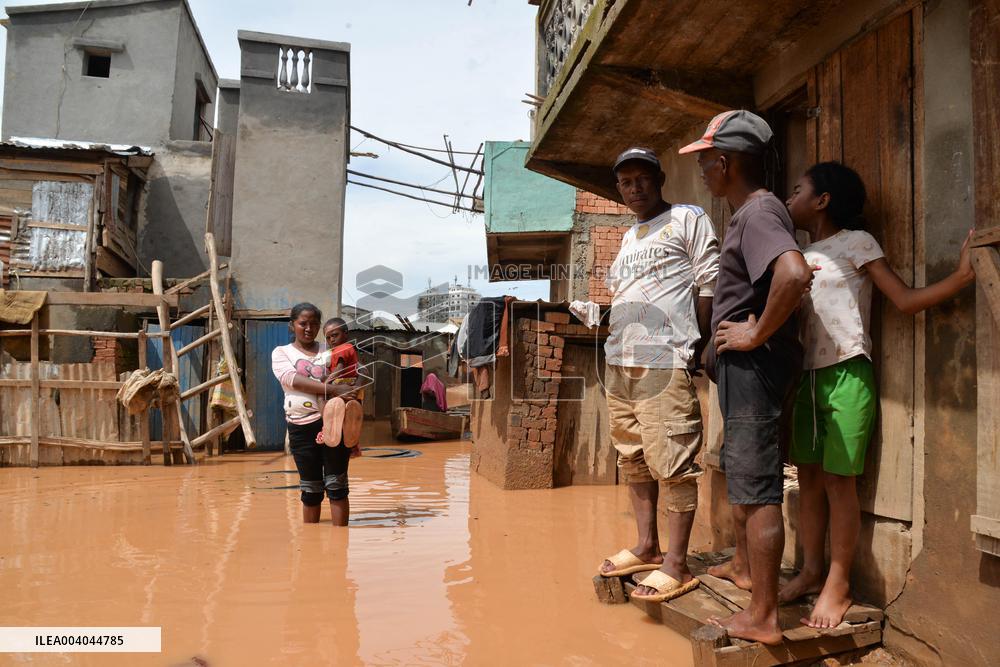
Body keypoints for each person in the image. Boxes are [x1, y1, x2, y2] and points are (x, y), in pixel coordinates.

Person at [780, 161, 976, 628]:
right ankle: (810, 570)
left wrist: (963, 277)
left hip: (848, 372)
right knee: (806, 478)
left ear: (823, 200)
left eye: (798, 189)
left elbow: (904, 301)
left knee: (836, 481)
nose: (790, 197)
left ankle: (839, 582)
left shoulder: (856, 243)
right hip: (805, 379)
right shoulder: (796, 253)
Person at [679, 110, 813, 644]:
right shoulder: (750, 213)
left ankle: (763, 616)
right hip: (744, 369)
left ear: (726, 162)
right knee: (744, 475)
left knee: (757, 490)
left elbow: (794, 273)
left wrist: (755, 334)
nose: (703, 173)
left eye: (705, 162)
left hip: (755, 366)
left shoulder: (757, 212)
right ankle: (742, 567)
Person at [597, 147, 720, 603]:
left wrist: (702, 342)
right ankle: (648, 544)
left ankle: (678, 562)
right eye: (625, 182)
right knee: (632, 455)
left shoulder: (688, 217)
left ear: (660, 178)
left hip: (665, 359)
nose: (634, 188)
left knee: (674, 462)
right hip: (620, 361)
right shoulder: (629, 238)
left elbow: (709, 281)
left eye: (641, 179)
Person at [271, 303, 358, 526]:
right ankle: (310, 548)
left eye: (314, 324)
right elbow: (293, 380)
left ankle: (340, 547)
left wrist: (346, 387)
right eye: (303, 323)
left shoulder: (330, 349)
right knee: (310, 488)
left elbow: (355, 370)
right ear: (292, 326)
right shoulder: (281, 353)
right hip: (300, 427)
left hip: (334, 422)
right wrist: (332, 389)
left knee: (337, 486)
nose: (309, 328)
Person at [316, 317, 364, 455]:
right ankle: (354, 445)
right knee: (348, 419)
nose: (331, 339)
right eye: (328, 337)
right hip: (352, 388)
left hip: (344, 385)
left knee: (320, 397)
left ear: (346, 333)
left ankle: (325, 427)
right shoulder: (340, 350)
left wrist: (326, 383)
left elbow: (340, 369)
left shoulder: (343, 348)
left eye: (335, 335)